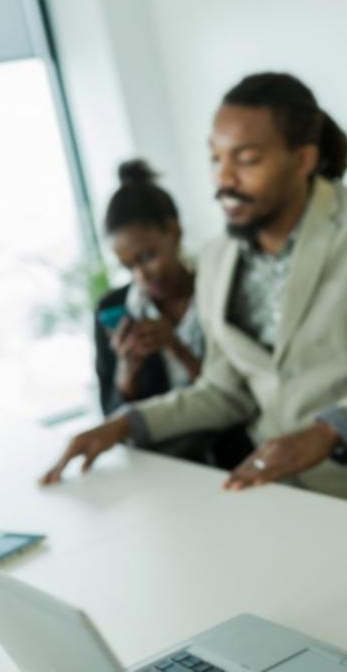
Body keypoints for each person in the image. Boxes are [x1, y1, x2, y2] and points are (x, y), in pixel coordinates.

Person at [42, 72, 347, 505]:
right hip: (271, 494)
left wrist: (329, 430)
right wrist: (124, 424)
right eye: (216, 158)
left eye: (247, 160)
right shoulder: (217, 259)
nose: (224, 179)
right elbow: (224, 392)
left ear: (302, 160)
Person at [93, 159, 252, 469]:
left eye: (148, 257)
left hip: (238, 458)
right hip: (163, 470)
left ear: (174, 231)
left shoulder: (223, 287)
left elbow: (239, 396)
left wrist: (176, 347)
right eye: (129, 267)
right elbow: (111, 418)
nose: (141, 276)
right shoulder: (114, 311)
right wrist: (127, 371)